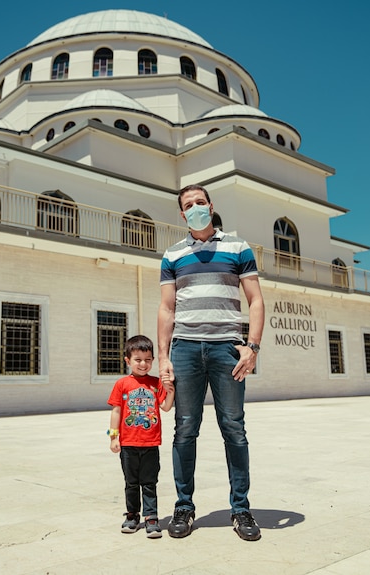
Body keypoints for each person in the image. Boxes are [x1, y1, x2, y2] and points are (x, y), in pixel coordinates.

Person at [157, 184, 265, 541]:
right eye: (188, 205)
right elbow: (167, 308)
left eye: (200, 202)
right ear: (182, 214)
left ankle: (241, 509)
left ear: (211, 205)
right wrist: (163, 356)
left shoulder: (238, 247)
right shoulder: (172, 254)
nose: (195, 208)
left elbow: (255, 300)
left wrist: (252, 347)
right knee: (185, 429)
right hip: (185, 349)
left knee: (234, 428)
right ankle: (184, 507)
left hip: (227, 350)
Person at [107, 335, 175, 538]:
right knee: (131, 482)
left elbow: (165, 407)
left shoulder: (156, 383)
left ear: (153, 360)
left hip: (150, 443)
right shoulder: (122, 384)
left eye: (147, 359)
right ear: (127, 360)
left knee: (149, 482)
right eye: (138, 359)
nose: (143, 364)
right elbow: (116, 412)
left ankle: (151, 517)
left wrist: (170, 390)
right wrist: (113, 437)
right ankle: (132, 515)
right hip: (128, 443)